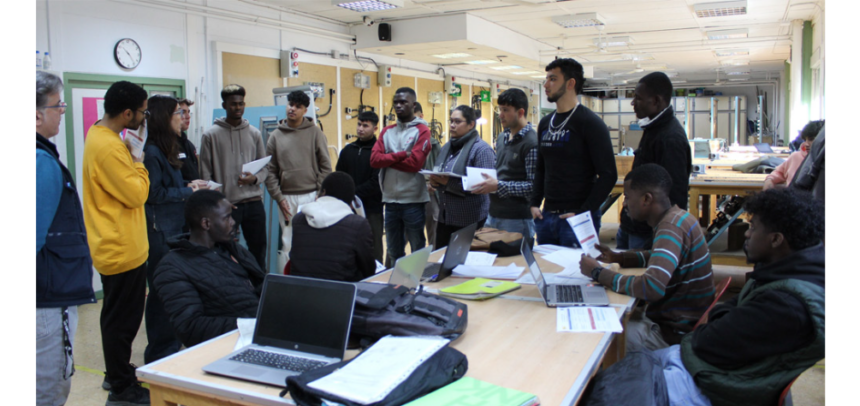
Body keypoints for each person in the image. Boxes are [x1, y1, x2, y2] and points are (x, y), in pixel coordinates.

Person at [595, 189, 826, 406]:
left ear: (776, 239)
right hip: (716, 368)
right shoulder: (788, 273)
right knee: (616, 373)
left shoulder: (786, 304)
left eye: (753, 228)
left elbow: (706, 342)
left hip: (714, 383)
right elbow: (725, 320)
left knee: (604, 368)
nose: (746, 233)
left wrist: (599, 273)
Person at [580, 164, 715, 353]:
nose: (625, 203)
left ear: (646, 199)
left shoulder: (670, 228)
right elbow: (659, 257)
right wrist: (619, 257)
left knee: (596, 338)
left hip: (672, 334)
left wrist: (597, 272)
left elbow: (652, 287)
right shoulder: (679, 217)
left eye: (627, 197)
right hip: (683, 323)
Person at [82, 81, 152, 406]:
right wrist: (138, 160)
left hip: (116, 244)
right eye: (142, 111)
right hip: (121, 248)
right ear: (127, 113)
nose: (144, 117)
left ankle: (118, 371)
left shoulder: (99, 134)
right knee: (122, 322)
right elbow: (137, 193)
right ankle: (123, 385)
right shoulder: (110, 148)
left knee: (115, 316)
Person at [35, 71, 97, 406]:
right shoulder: (40, 162)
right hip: (46, 300)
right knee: (48, 390)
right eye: (58, 105)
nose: (62, 111)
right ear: (36, 114)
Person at [153, 190, 266, 348]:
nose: (233, 222)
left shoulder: (233, 249)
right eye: (227, 217)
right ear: (206, 223)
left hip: (261, 333)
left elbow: (260, 285)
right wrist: (254, 325)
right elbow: (190, 327)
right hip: (232, 345)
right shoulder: (172, 268)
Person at [141, 95, 206, 364]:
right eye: (177, 113)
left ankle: (171, 345)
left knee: (175, 289)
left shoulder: (170, 147)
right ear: (163, 118)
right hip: (160, 231)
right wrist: (186, 191)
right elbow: (153, 193)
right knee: (161, 292)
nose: (183, 117)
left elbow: (174, 184)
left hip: (174, 227)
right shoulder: (153, 152)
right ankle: (158, 353)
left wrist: (192, 184)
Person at [531, 59, 618, 248]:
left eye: (553, 79)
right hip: (546, 216)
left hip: (577, 219)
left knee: (578, 274)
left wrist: (584, 211)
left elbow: (609, 174)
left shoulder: (590, 123)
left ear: (570, 83)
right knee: (549, 271)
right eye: (546, 79)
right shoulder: (545, 123)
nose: (546, 85)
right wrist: (534, 203)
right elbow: (541, 167)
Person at [619, 72, 693, 250]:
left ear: (657, 101)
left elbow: (675, 196)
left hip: (646, 232)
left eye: (638, 98)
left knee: (637, 274)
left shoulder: (670, 138)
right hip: (633, 224)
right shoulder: (654, 128)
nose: (633, 103)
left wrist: (660, 238)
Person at [200, 85, 269, 270]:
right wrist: (217, 202)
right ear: (224, 105)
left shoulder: (254, 133)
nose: (237, 108)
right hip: (226, 204)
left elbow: (265, 168)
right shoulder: (210, 135)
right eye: (233, 104)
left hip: (254, 202)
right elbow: (205, 175)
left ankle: (259, 289)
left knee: (259, 250)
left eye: (240, 104)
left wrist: (253, 179)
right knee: (224, 251)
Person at [265, 90, 333, 264]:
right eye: (290, 104)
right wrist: (278, 198)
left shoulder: (315, 133)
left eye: (298, 106)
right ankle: (288, 284)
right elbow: (270, 171)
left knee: (313, 241)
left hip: (311, 196)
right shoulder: (275, 136)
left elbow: (325, 166)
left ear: (305, 110)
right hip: (286, 197)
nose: (292, 109)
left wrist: (320, 193)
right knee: (288, 242)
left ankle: (313, 282)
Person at [371, 88, 432, 262]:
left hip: (413, 200)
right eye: (396, 102)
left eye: (403, 102)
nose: (398, 105)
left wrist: (387, 158)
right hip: (389, 201)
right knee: (393, 251)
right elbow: (375, 160)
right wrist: (400, 155)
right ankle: (395, 286)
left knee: (417, 249)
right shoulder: (387, 131)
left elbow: (415, 164)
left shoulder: (422, 131)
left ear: (413, 105)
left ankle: (418, 283)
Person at [472, 88, 538, 247]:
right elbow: (502, 172)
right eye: (500, 109)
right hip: (493, 214)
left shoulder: (532, 143)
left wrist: (498, 185)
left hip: (517, 219)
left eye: (506, 110)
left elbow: (534, 187)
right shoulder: (502, 137)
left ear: (520, 112)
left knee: (516, 265)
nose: (500, 115)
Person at [289, 172, 376, 282]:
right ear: (350, 202)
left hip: (300, 292)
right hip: (341, 294)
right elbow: (369, 271)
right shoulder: (358, 225)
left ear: (324, 192)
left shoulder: (298, 219)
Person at [430, 106, 496, 249]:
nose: (452, 125)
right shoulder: (447, 147)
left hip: (469, 220)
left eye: (457, 121)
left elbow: (483, 186)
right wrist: (435, 182)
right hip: (445, 217)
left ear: (471, 124)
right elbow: (441, 175)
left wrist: (448, 182)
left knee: (466, 266)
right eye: (451, 121)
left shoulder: (481, 150)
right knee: (442, 262)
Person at [337, 112, 384, 262]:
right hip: (347, 208)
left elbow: (376, 183)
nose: (360, 129)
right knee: (348, 246)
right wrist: (346, 197)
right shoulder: (347, 151)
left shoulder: (379, 152)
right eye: (359, 124)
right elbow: (340, 176)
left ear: (375, 128)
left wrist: (353, 194)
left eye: (365, 126)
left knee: (373, 248)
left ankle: (376, 279)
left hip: (372, 209)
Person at [765, 120, 826, 191]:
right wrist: (769, 180)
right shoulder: (795, 157)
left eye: (811, 139)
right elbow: (778, 172)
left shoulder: (822, 163)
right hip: (793, 199)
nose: (806, 144)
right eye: (805, 140)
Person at [176, 98, 200, 185]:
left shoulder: (189, 144)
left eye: (188, 112)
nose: (188, 116)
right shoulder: (167, 146)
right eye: (183, 112)